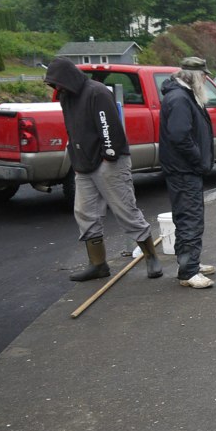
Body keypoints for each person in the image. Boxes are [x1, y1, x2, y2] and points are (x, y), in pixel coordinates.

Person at [44, 57, 163, 281]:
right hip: (83, 164)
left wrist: (109, 155)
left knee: (125, 209)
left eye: (57, 83)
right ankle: (98, 264)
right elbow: (73, 129)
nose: (56, 88)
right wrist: (78, 162)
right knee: (85, 213)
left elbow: (108, 126)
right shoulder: (66, 97)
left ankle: (151, 257)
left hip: (110, 161)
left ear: (68, 78)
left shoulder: (96, 92)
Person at [159, 57, 216, 289]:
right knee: (189, 218)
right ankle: (189, 271)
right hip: (184, 170)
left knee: (189, 217)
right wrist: (199, 160)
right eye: (203, 75)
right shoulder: (180, 98)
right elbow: (180, 136)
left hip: (184, 169)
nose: (205, 79)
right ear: (194, 77)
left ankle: (191, 262)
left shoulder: (183, 96)